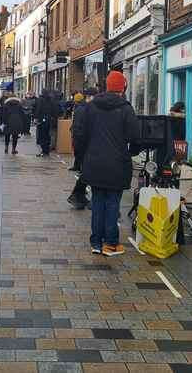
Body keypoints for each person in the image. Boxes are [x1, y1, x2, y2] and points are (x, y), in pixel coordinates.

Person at [76, 72, 141, 256]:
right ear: (122, 88)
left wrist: (83, 157)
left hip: (94, 163)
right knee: (113, 203)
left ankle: (96, 242)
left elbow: (80, 134)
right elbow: (135, 137)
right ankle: (110, 243)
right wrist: (131, 153)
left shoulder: (91, 107)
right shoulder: (126, 109)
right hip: (117, 164)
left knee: (97, 202)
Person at [67, 87, 97, 208]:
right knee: (89, 172)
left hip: (86, 146)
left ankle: (78, 196)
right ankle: (78, 196)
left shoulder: (86, 108)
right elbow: (79, 130)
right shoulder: (84, 109)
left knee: (88, 172)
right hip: (85, 146)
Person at [34, 88, 59, 157]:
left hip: (42, 120)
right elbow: (55, 111)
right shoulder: (51, 100)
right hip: (49, 120)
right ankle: (46, 151)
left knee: (42, 136)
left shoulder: (40, 100)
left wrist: (36, 118)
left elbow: (38, 109)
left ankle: (43, 151)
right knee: (47, 136)